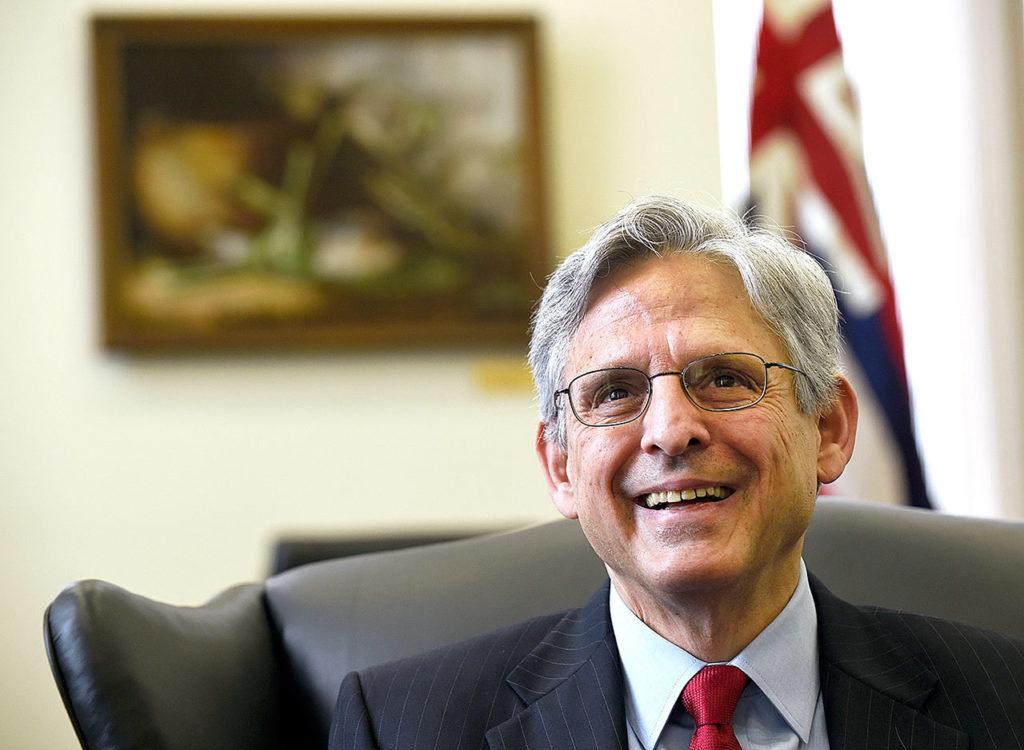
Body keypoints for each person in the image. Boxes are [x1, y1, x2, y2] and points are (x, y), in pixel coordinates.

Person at [329, 197, 1024, 749]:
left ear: (828, 430)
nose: (669, 430)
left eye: (724, 378)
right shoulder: (401, 729)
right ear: (561, 464)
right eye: (615, 392)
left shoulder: (1007, 702)